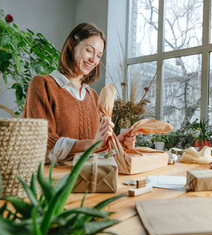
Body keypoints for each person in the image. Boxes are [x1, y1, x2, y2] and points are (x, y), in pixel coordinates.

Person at [22, 22, 135, 162]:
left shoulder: (92, 96)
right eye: (89, 50)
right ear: (71, 45)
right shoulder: (43, 85)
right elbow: (41, 142)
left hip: (88, 177)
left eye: (99, 55)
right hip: (54, 180)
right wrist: (92, 144)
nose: (94, 60)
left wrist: (116, 143)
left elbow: (96, 147)